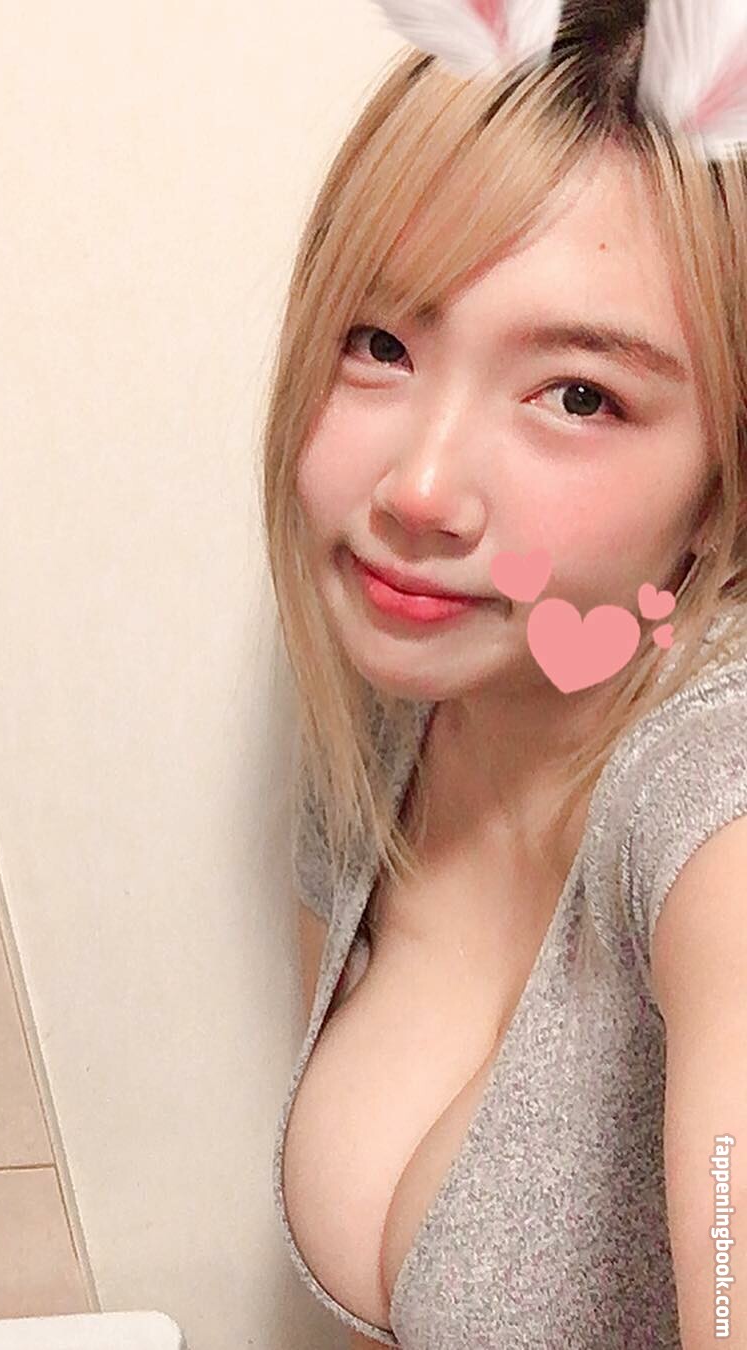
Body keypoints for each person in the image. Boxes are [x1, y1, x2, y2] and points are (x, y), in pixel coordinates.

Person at [263, 1, 747, 1345]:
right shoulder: (395, 699)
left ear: (726, 476)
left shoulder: (716, 800)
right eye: (381, 344)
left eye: (579, 394)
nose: (419, 490)